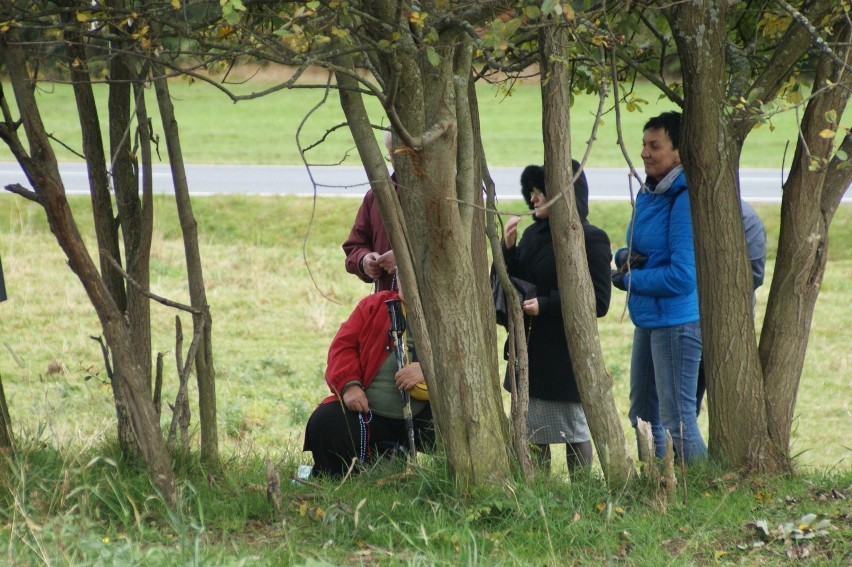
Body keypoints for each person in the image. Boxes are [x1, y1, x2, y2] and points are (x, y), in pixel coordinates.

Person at [502, 161, 612, 473]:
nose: (533, 199)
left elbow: (599, 302)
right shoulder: (532, 235)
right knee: (532, 431)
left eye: (541, 192)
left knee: (573, 430)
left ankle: (582, 495)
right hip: (530, 350)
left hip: (564, 354)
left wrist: (547, 305)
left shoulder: (591, 238)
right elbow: (517, 284)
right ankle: (540, 493)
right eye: (532, 192)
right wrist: (508, 250)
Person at [611, 110, 707, 463]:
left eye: (655, 146)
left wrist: (629, 279)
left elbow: (683, 275)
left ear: (679, 152)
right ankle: (656, 486)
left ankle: (699, 491)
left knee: (677, 419)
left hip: (677, 323)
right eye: (644, 145)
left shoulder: (683, 198)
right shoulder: (653, 191)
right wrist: (627, 255)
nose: (645, 153)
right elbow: (648, 248)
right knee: (642, 415)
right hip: (650, 320)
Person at [303, 284, 434, 477]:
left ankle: (451, 479)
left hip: (425, 413)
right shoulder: (374, 305)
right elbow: (344, 346)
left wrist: (428, 370)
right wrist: (350, 386)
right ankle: (343, 476)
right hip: (369, 413)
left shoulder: (449, 311)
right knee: (326, 420)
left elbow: (466, 359)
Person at [695, 199, 767, 415]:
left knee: (685, 409)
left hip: (720, 324)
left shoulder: (744, 217)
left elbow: (751, 276)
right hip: (699, 320)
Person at [342, 131, 398, 291]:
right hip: (386, 304)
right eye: (392, 154)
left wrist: (404, 261)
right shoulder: (376, 196)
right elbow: (355, 246)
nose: (397, 161)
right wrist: (364, 261)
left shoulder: (443, 196)